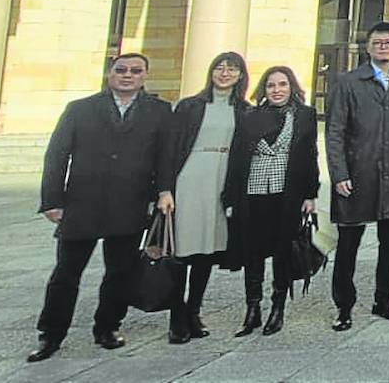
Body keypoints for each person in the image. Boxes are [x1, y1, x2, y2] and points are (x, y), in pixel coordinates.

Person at [29, 53, 174, 362]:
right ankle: (51, 334)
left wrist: (164, 191)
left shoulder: (160, 111)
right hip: (82, 205)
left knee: (119, 272)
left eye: (135, 71)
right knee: (66, 274)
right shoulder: (80, 109)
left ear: (144, 76)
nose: (127, 76)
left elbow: (165, 156)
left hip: (129, 204)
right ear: (110, 73)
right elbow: (57, 155)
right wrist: (52, 201)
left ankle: (107, 327)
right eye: (121, 70)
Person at [324, 21, 389, 331]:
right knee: (349, 243)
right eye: (377, 42)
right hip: (358, 172)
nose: (383, 47)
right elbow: (335, 131)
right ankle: (344, 306)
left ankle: (384, 300)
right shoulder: (348, 82)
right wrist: (339, 172)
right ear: (368, 47)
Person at [224, 66, 320, 336]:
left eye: (282, 84)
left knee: (282, 252)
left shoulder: (305, 115)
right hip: (252, 192)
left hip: (286, 194)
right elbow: (236, 157)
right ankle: (252, 308)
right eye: (271, 85)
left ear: (292, 87)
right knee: (252, 253)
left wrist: (311, 194)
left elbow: (310, 156)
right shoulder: (249, 116)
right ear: (263, 90)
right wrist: (230, 197)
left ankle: (278, 307)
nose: (277, 90)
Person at [164, 51, 250, 344]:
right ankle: (177, 316)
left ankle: (193, 310)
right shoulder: (190, 106)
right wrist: (164, 189)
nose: (225, 73)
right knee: (182, 248)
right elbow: (170, 149)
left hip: (222, 179)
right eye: (220, 68)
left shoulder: (244, 109)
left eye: (232, 69)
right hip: (190, 177)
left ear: (241, 75)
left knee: (206, 250)